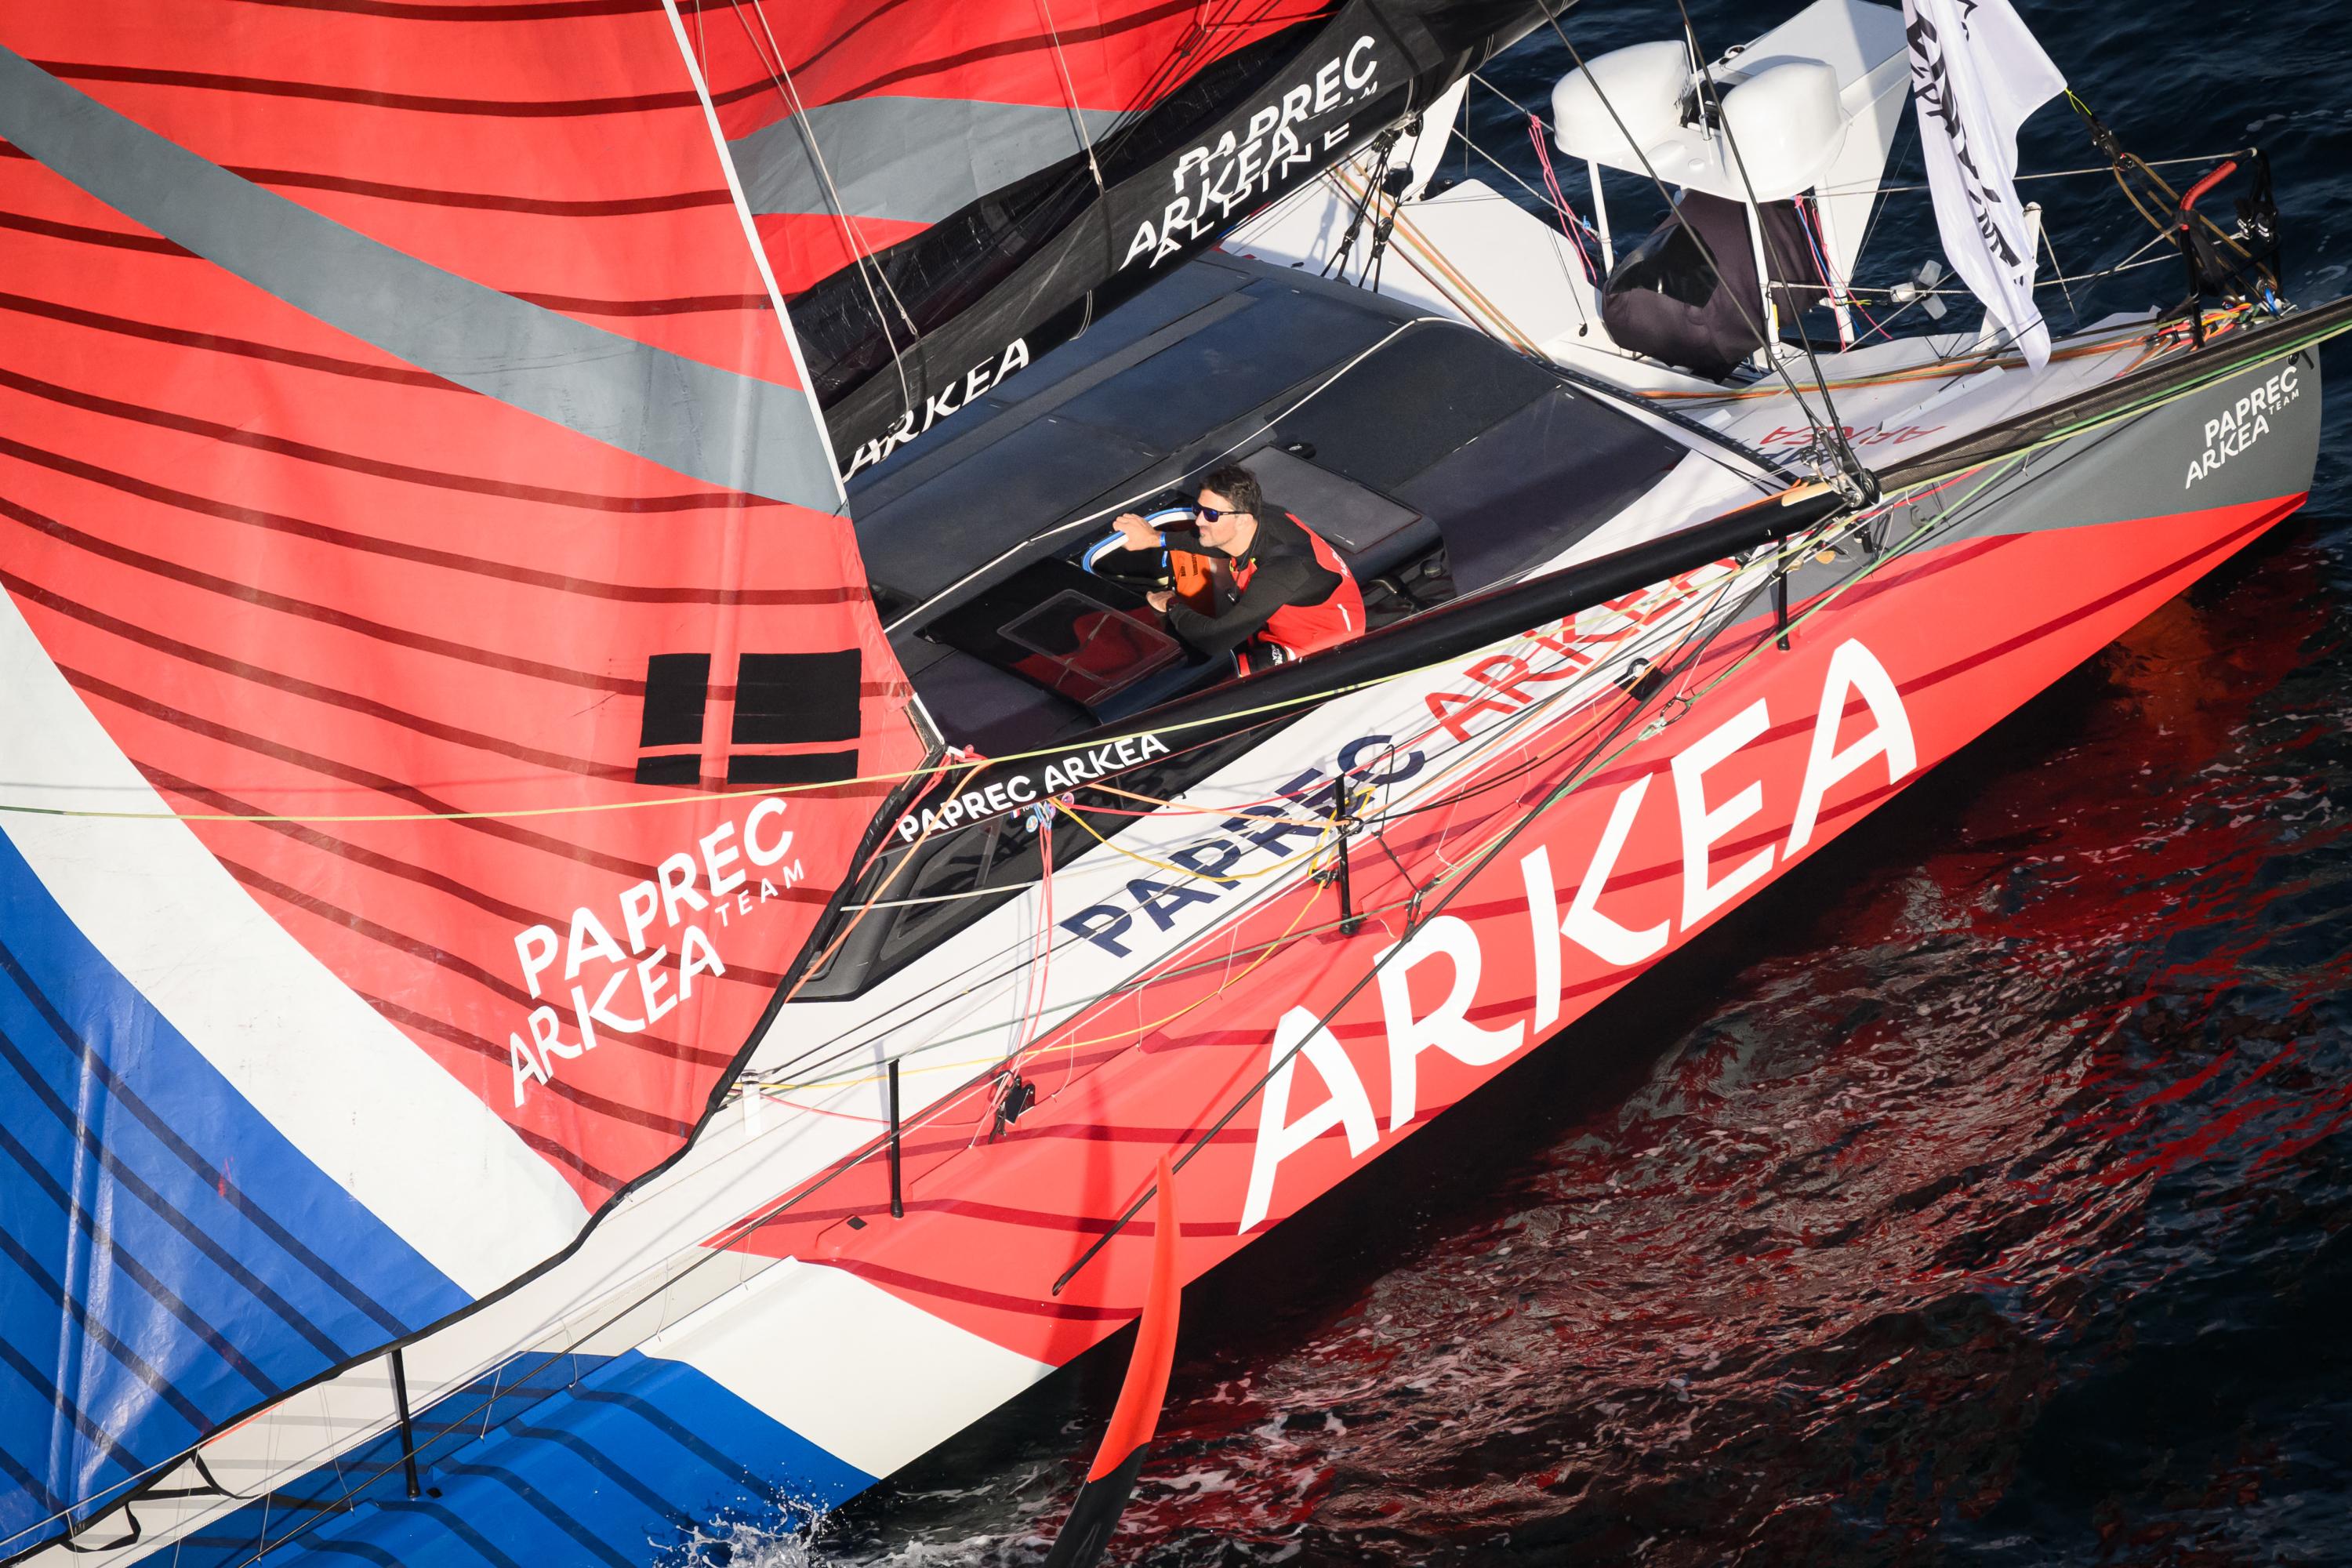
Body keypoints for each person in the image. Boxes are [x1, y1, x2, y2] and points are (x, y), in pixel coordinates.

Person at [1097, 463, 1366, 667]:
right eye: (1197, 509)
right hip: (1279, 609)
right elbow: (1214, 540)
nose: (1200, 521)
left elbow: (1215, 640)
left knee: (1229, 677)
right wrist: (1156, 538)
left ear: (1243, 520)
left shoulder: (1283, 570)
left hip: (1321, 643)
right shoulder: (1255, 519)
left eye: (1211, 515)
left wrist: (1171, 603)